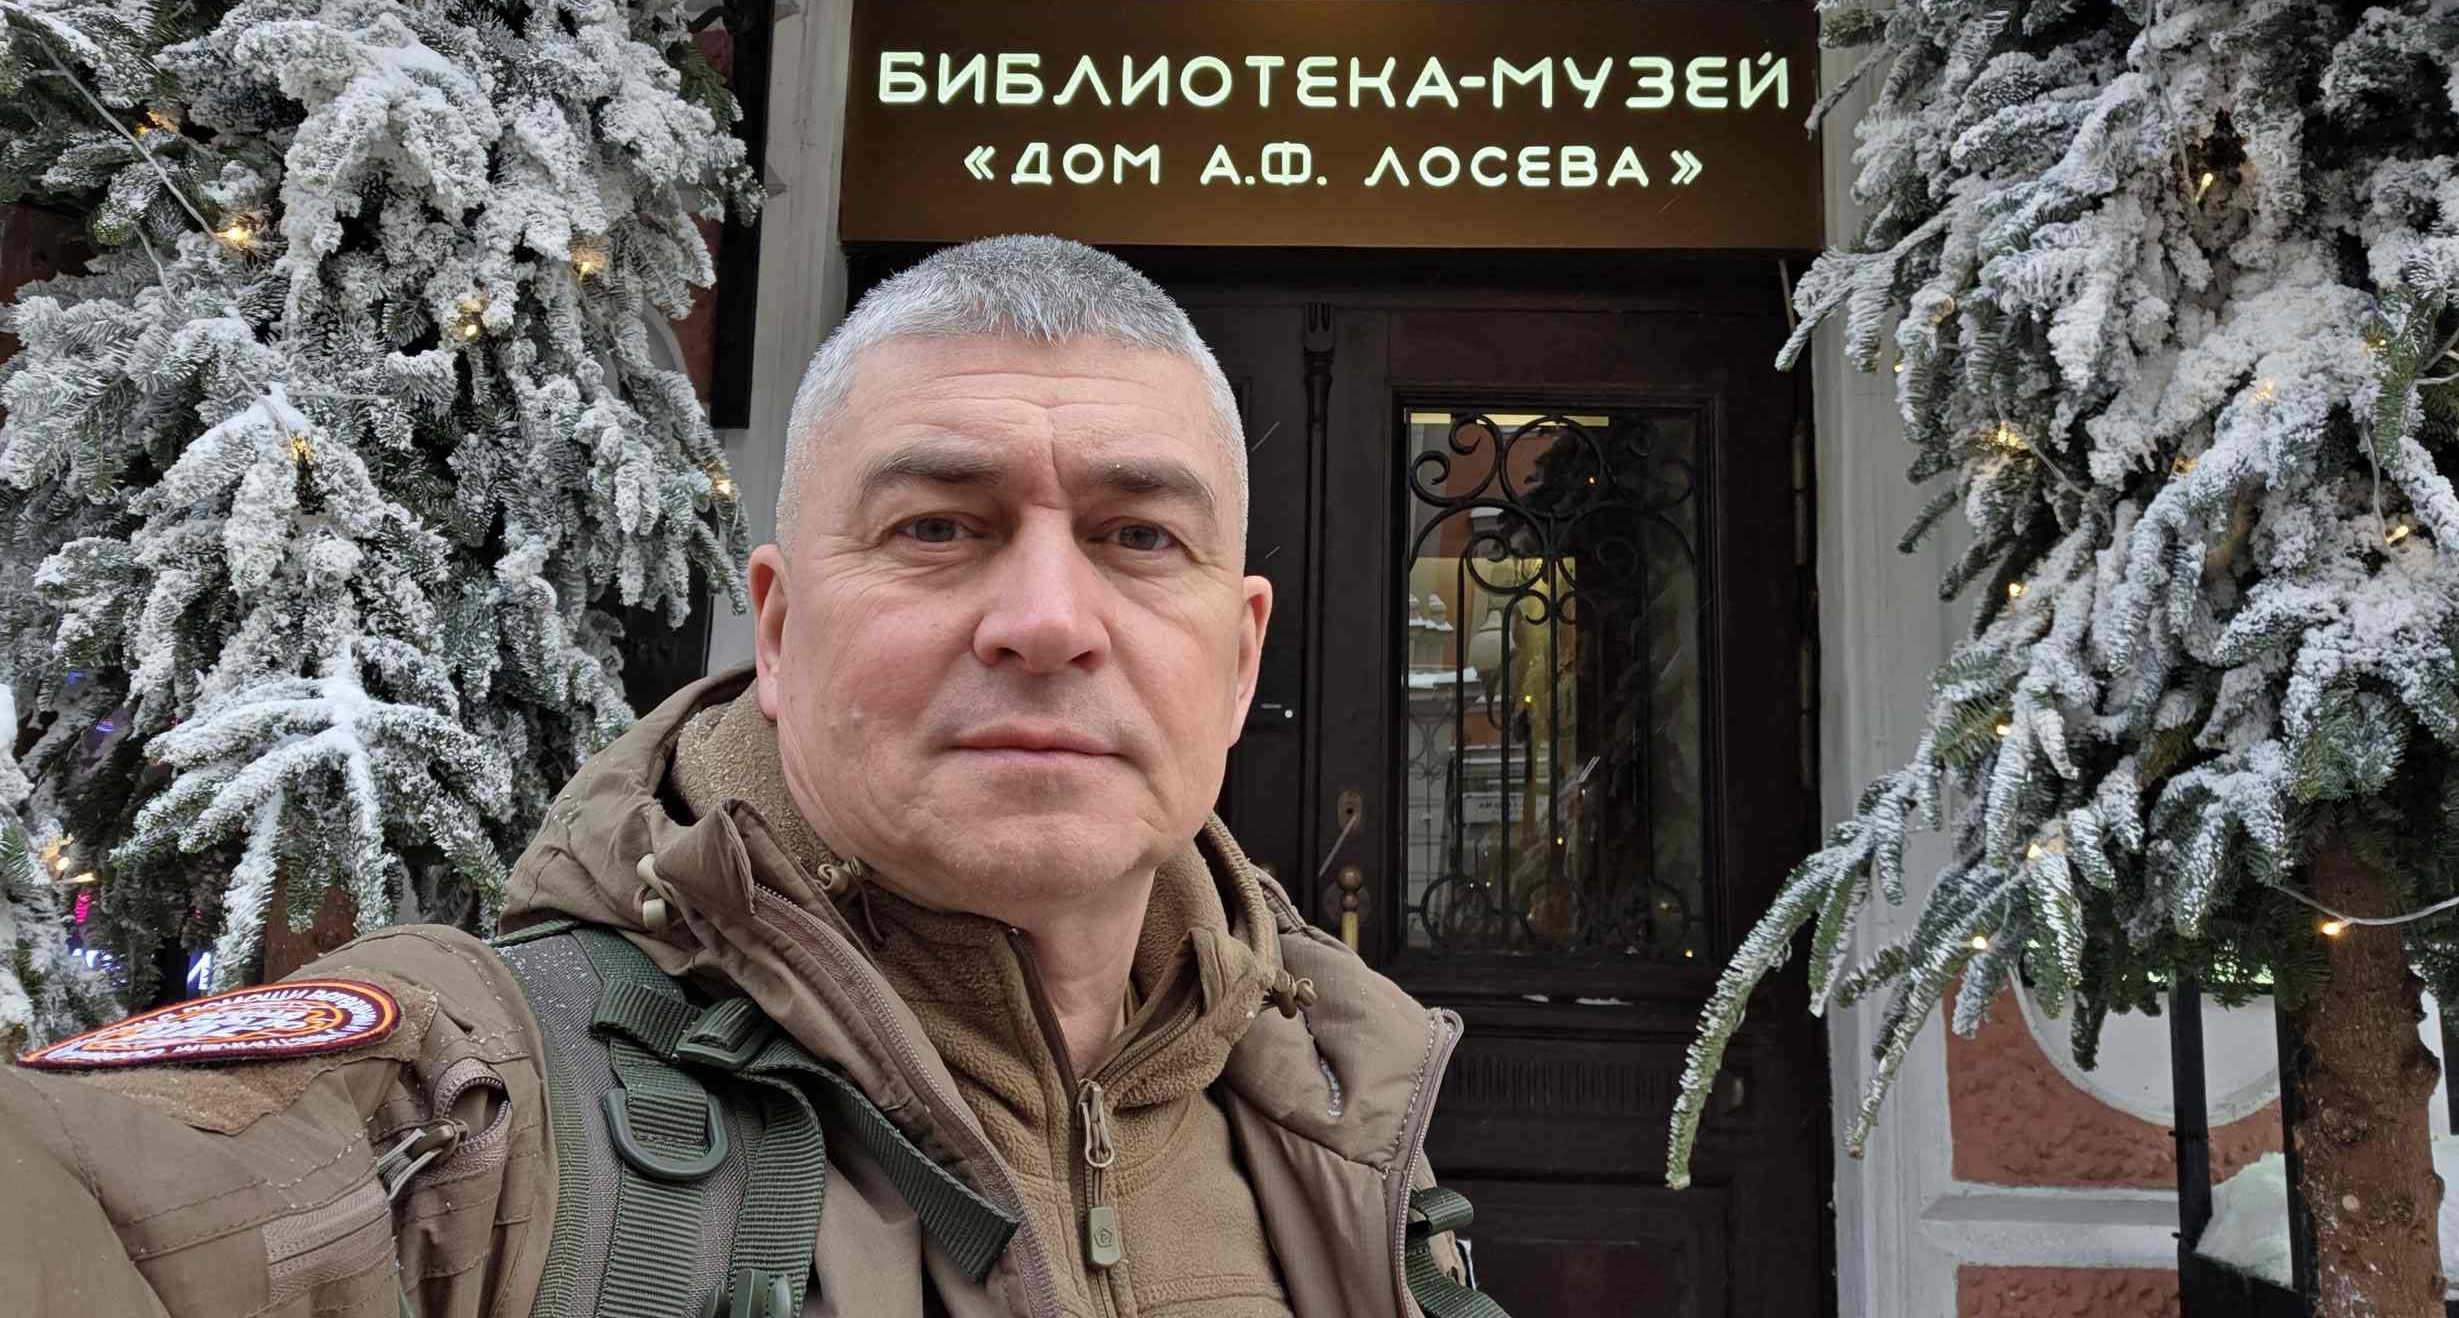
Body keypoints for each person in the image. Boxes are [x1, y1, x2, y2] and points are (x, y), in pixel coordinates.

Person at [0, 235, 1500, 1318]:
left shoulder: (1339, 1127)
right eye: (938, 527)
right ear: (776, 631)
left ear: (1237, 659)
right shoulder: (461, 1117)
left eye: (1139, 537)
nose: (1048, 620)